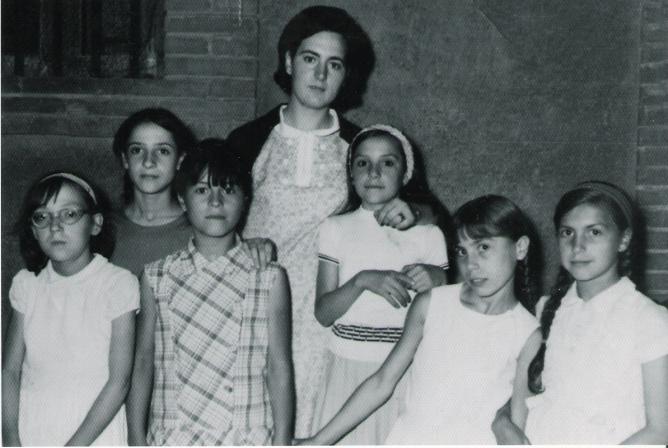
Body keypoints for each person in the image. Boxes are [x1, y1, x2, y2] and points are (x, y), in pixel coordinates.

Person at [226, 6, 436, 434]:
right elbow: (213, 215)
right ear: (289, 62)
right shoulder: (248, 140)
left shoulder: (361, 146)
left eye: (334, 64)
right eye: (310, 59)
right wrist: (240, 242)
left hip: (330, 317)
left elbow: (429, 213)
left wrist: (414, 211)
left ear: (346, 75)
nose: (320, 74)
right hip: (257, 308)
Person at [301, 195, 540, 444]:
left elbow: (518, 422)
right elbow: (382, 382)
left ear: (520, 248)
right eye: (462, 251)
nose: (471, 264)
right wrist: (317, 442)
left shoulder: (527, 333)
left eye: (483, 247)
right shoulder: (432, 303)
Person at [127, 140, 294, 445]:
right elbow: (142, 362)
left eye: (228, 190)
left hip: (246, 436)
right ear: (182, 199)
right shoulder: (156, 277)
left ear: (245, 199)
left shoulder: (269, 278)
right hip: (174, 436)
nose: (216, 202)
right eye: (202, 190)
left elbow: (279, 365)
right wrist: (135, 437)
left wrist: (282, 441)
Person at [493, 181, 668, 444]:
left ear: (623, 239)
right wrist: (503, 420)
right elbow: (527, 391)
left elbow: (660, 430)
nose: (577, 246)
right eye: (567, 233)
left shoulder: (649, 319)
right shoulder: (546, 310)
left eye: (594, 232)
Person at [311, 125, 449, 444]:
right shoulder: (335, 228)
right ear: (350, 173)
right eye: (363, 163)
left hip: (405, 372)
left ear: (406, 173)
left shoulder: (429, 234)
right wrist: (362, 280)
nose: (373, 173)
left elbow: (445, 316)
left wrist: (438, 279)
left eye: (387, 162)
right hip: (347, 370)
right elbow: (323, 313)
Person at [2, 172, 139, 446]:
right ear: (33, 230)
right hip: (32, 429)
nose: (55, 226)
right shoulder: (27, 285)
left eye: (69, 214)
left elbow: (119, 382)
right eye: (42, 216)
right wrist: (10, 436)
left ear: (95, 224)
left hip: (94, 434)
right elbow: (10, 371)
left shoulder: (118, 284)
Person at [110, 107, 197, 277]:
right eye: (137, 150)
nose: (148, 162)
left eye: (163, 151)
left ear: (180, 160)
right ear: (125, 159)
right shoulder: (105, 228)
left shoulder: (197, 230)